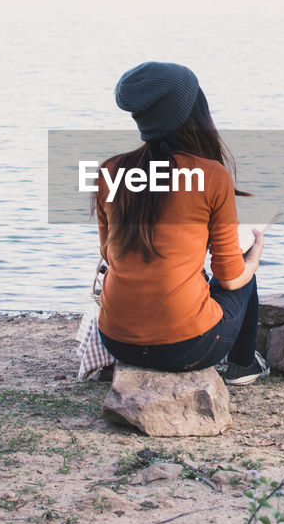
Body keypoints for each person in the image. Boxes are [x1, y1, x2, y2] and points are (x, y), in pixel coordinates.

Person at [95, 61, 269, 385]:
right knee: (246, 274)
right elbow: (230, 279)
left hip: (117, 340)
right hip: (186, 348)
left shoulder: (110, 171)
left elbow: (110, 255)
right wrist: (255, 255)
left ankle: (244, 364)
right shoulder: (212, 175)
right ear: (194, 114)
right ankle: (244, 365)